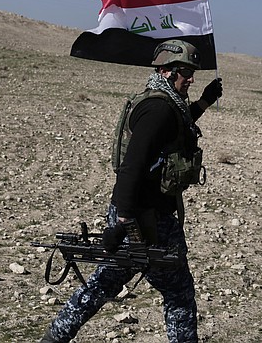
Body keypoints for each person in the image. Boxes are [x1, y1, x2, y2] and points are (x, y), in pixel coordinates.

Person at [40, 39, 223, 343]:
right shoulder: (158, 109)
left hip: (137, 215)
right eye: (184, 72)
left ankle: (54, 338)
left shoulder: (161, 101)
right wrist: (123, 220)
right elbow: (132, 166)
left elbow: (176, 128)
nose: (190, 78)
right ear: (165, 70)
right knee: (179, 294)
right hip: (148, 219)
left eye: (192, 72)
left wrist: (203, 102)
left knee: (103, 284)